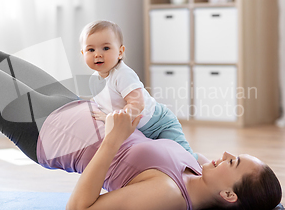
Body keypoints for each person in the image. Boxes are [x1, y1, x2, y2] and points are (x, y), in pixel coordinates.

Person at [0, 49, 285, 210]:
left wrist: (111, 139)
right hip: (75, 109)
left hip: (51, 134)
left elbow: (81, 207)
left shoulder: (168, 195)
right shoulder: (195, 169)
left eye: (232, 163)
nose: (225, 155)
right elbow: (165, 125)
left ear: (229, 195)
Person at [80, 20, 203, 163]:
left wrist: (111, 118)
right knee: (164, 161)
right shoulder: (93, 80)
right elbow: (102, 102)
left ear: (120, 52)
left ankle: (205, 167)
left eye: (106, 48)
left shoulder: (122, 74)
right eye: (91, 50)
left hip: (159, 123)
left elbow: (137, 104)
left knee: (184, 157)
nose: (98, 54)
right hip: (140, 129)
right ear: (83, 54)